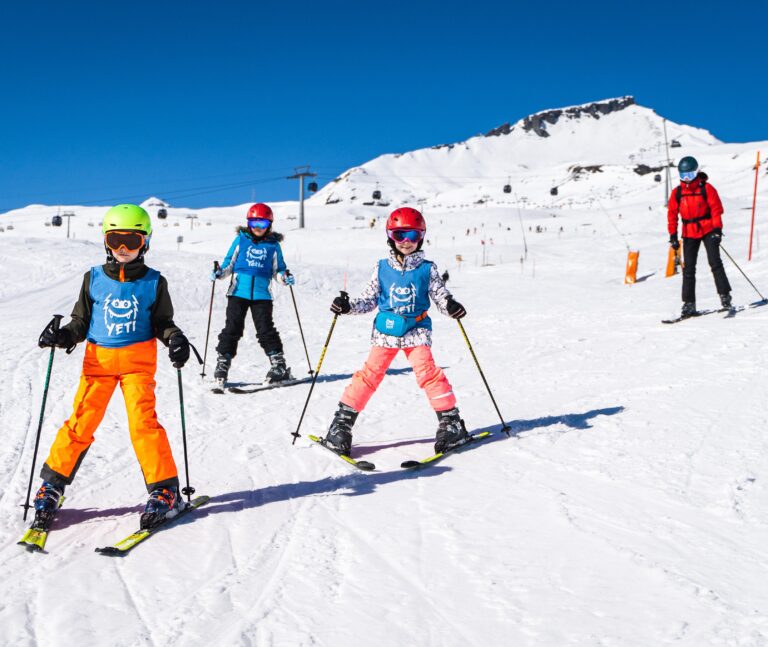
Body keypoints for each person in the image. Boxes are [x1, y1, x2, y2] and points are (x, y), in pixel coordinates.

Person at [34, 204, 191, 530]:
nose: (122, 248)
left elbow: (163, 322)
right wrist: (62, 336)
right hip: (98, 363)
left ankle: (165, 490)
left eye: (131, 241)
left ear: (144, 242)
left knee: (142, 424)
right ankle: (53, 485)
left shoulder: (154, 282)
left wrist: (175, 339)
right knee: (81, 422)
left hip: (137, 365)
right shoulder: (92, 279)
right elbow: (80, 322)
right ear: (106, 241)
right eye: (115, 239)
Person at [323, 207, 468, 456]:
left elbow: (440, 296)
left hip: (416, 329)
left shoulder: (427, 268)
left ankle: (451, 423)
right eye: (400, 235)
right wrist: (347, 307)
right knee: (369, 375)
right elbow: (368, 300)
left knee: (428, 373)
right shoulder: (381, 267)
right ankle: (340, 426)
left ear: (421, 236)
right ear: (390, 236)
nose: (407, 242)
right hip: (386, 331)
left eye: (413, 235)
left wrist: (450, 306)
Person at [211, 203, 295, 387]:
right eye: (254, 223)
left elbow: (278, 270)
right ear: (248, 223)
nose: (258, 228)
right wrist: (219, 273)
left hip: (262, 296)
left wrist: (284, 277)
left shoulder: (273, 245)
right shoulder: (241, 241)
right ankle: (222, 364)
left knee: (265, 329)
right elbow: (228, 265)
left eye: (263, 224)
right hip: (238, 293)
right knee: (232, 328)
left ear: (270, 225)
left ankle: (278, 366)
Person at [668, 156, 732, 317]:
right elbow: (672, 214)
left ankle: (725, 296)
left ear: (696, 172)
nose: (687, 179)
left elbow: (716, 209)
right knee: (688, 269)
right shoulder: (677, 193)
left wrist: (717, 230)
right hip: (689, 232)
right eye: (683, 175)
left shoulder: (707, 188)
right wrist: (673, 235)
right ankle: (689, 304)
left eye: (689, 174)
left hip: (708, 228)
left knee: (715, 263)